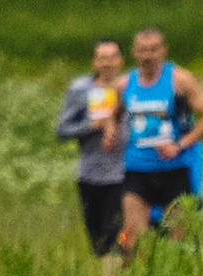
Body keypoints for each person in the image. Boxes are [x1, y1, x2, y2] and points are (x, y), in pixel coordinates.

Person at [116, 27, 203, 264]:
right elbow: (113, 116)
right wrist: (111, 132)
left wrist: (179, 145)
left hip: (175, 169)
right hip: (137, 170)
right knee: (131, 241)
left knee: (179, 243)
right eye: (142, 50)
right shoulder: (124, 84)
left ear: (164, 51)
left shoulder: (179, 80)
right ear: (134, 52)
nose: (148, 55)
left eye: (153, 49)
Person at [56, 38, 128, 262]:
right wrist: (92, 126)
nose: (107, 63)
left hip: (124, 173)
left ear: (121, 61)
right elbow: (62, 130)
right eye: (102, 58)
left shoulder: (131, 87)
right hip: (90, 174)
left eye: (112, 57)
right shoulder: (80, 89)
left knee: (115, 235)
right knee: (97, 239)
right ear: (94, 62)